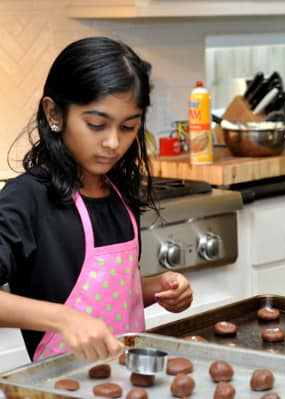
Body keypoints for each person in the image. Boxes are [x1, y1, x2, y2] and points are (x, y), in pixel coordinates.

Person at [0, 37, 193, 362]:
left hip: (129, 383)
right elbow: (75, 310)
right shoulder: (26, 199)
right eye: (96, 124)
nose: (114, 143)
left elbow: (114, 297)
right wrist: (63, 319)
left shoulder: (119, 193)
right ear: (54, 113)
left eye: (129, 126)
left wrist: (158, 287)